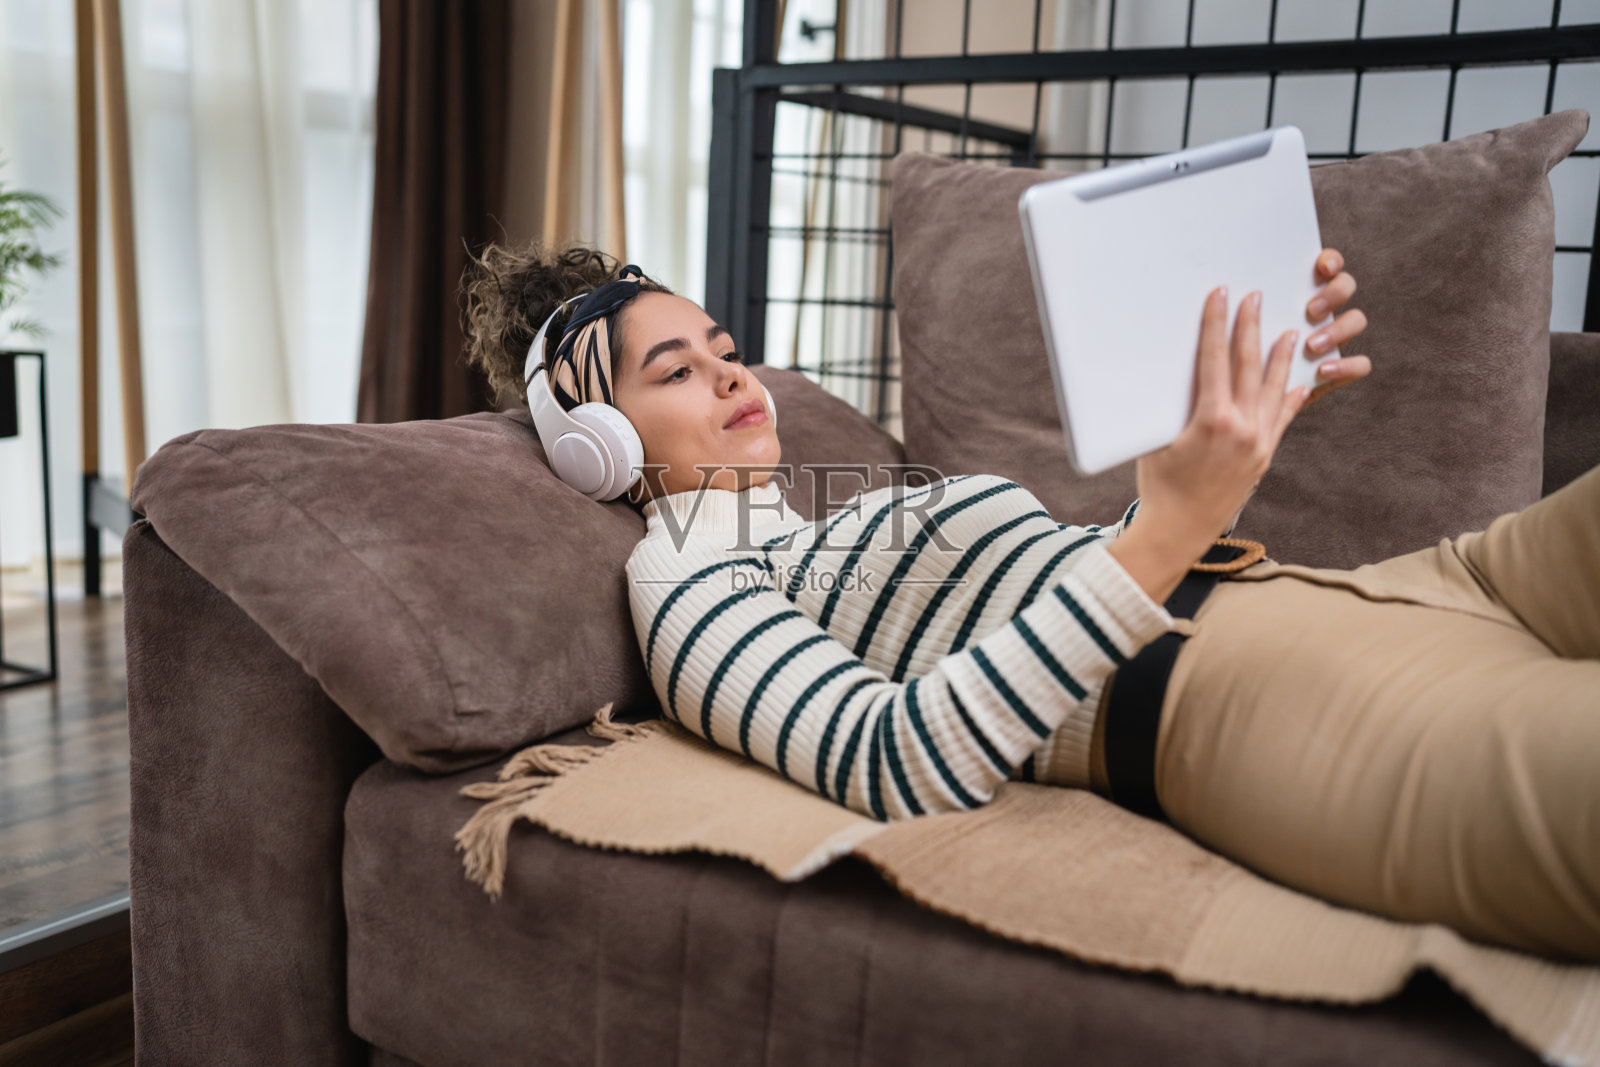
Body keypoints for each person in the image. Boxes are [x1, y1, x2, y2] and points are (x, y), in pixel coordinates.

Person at [461, 239, 1599, 965]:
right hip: (1239, 694)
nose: (731, 375)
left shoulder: (815, 521)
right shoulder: (682, 578)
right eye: (674, 371)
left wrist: (1224, 455)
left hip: (1419, 585)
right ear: (597, 447)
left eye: (726, 348)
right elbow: (889, 757)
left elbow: (1066, 578)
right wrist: (1161, 533)